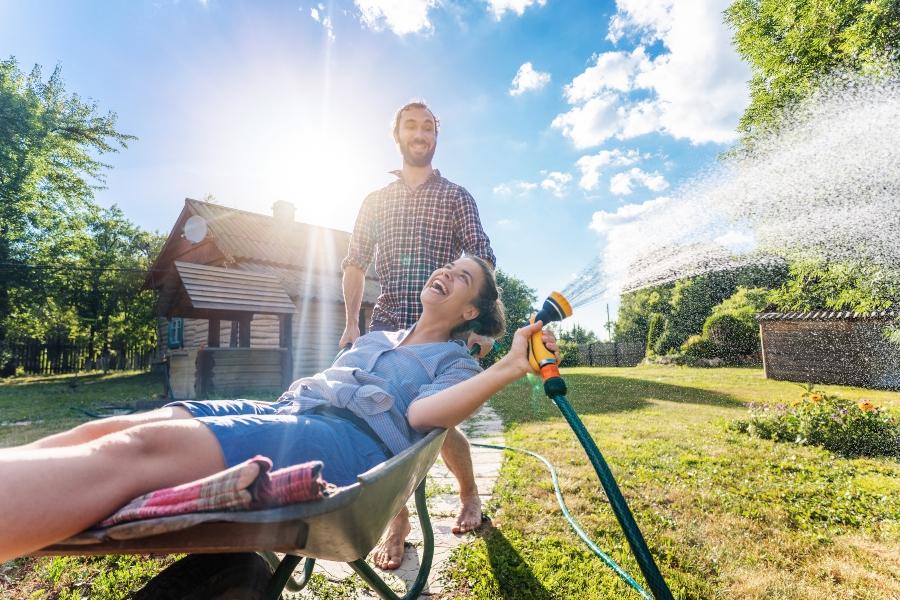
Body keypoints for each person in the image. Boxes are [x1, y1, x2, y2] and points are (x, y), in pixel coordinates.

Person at [0, 257, 559, 563]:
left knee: (141, 450)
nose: (446, 272)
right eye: (449, 266)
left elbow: (420, 419)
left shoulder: (453, 362)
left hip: (347, 440)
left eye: (463, 278)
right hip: (291, 408)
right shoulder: (378, 335)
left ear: (469, 311)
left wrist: (509, 366)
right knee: (121, 425)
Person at [340, 100, 497, 568]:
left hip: (440, 325)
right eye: (412, 125)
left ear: (435, 137)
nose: (421, 132)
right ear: (397, 135)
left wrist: (484, 327)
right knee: (379, 421)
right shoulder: (375, 201)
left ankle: (469, 494)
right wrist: (352, 323)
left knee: (437, 424)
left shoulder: (456, 196)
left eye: (429, 126)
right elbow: (354, 262)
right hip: (389, 325)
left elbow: (483, 259)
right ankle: (397, 520)